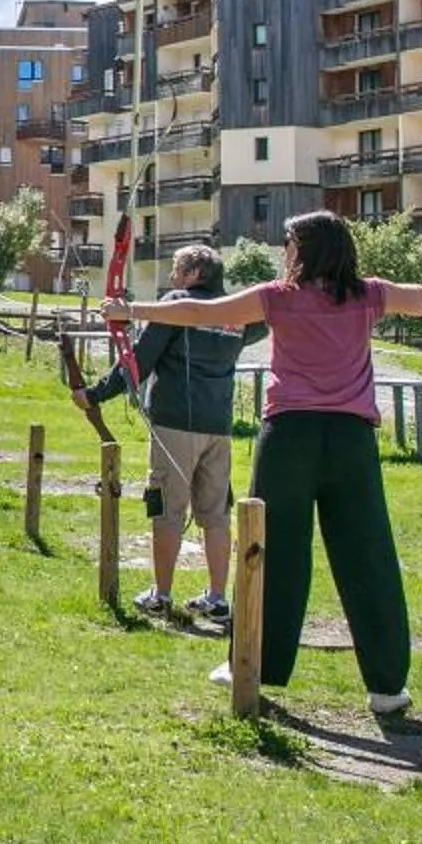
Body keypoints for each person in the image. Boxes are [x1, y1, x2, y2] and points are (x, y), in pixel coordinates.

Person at [102, 212, 422, 717]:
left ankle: (252, 664)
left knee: (270, 551)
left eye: (288, 243)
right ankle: (387, 686)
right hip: (351, 441)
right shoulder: (366, 294)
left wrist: (129, 310)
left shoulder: (279, 297)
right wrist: (390, 294)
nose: (284, 252)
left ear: (305, 250)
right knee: (368, 554)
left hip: (290, 437)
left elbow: (198, 311)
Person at [72, 243, 262, 624]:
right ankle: (217, 599)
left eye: (177, 269)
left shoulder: (177, 305)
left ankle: (160, 595)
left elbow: (137, 362)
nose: (172, 277)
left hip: (176, 424)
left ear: (194, 275)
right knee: (216, 514)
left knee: (166, 510)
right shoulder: (236, 312)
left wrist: (94, 394)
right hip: (218, 428)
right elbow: (264, 322)